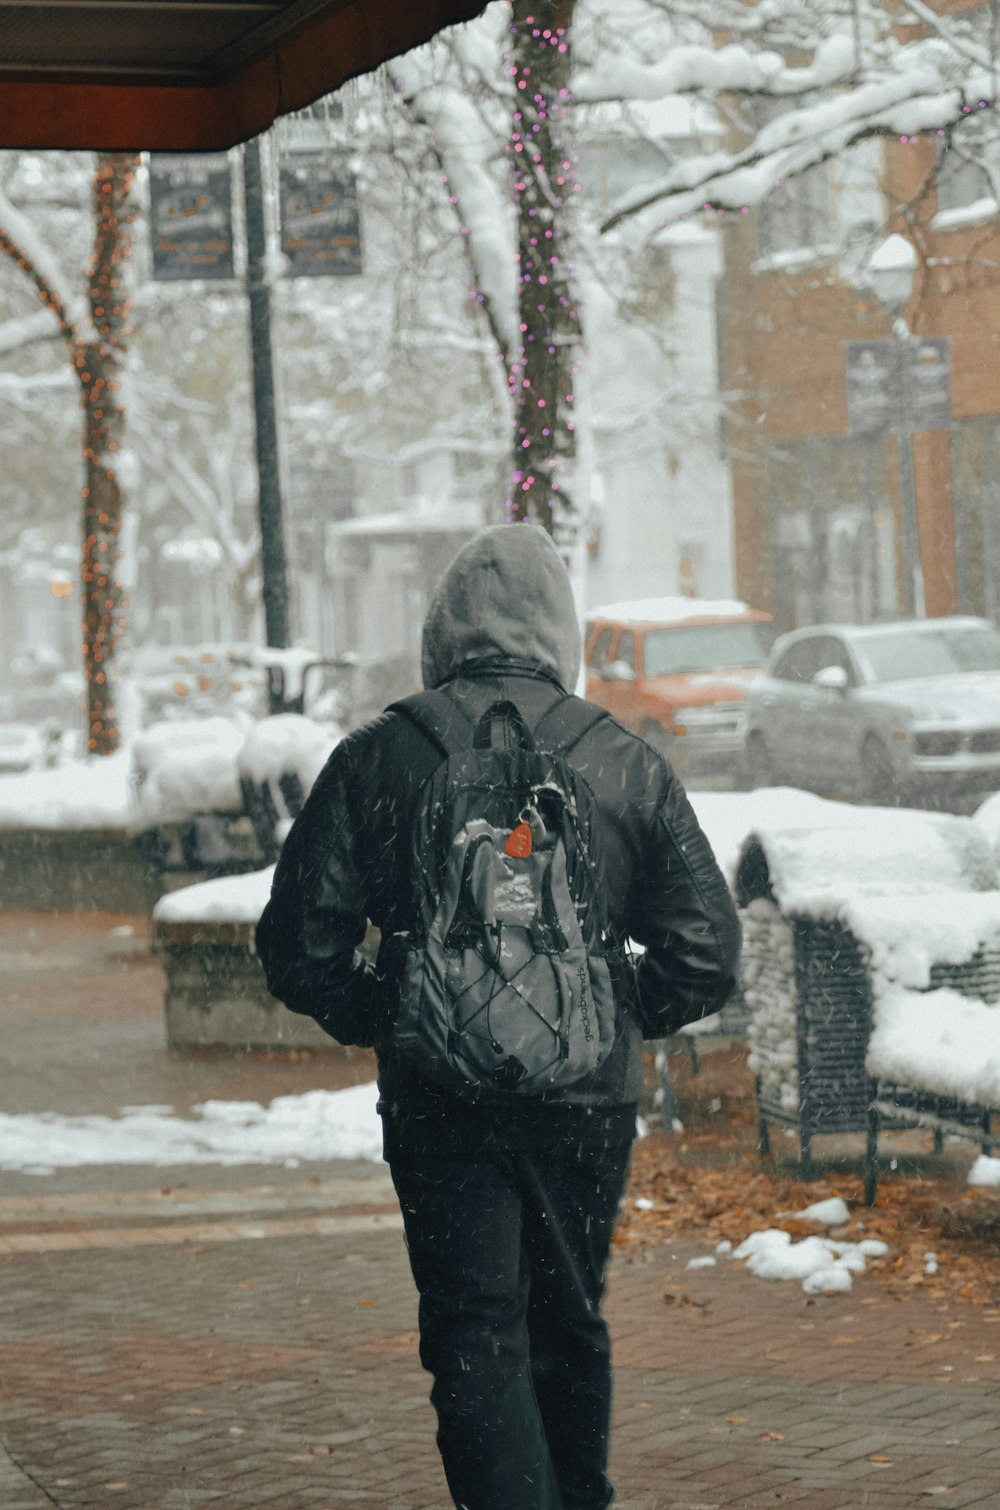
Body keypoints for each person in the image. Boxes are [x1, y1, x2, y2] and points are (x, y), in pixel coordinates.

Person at [256, 523, 741, 1510]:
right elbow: (706, 954)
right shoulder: (622, 760)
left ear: (441, 633)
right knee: (569, 1320)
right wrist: (607, 1010)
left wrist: (391, 1008)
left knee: (475, 1330)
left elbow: (297, 944)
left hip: (441, 1100)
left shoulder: (379, 754)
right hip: (584, 1103)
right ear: (556, 632)